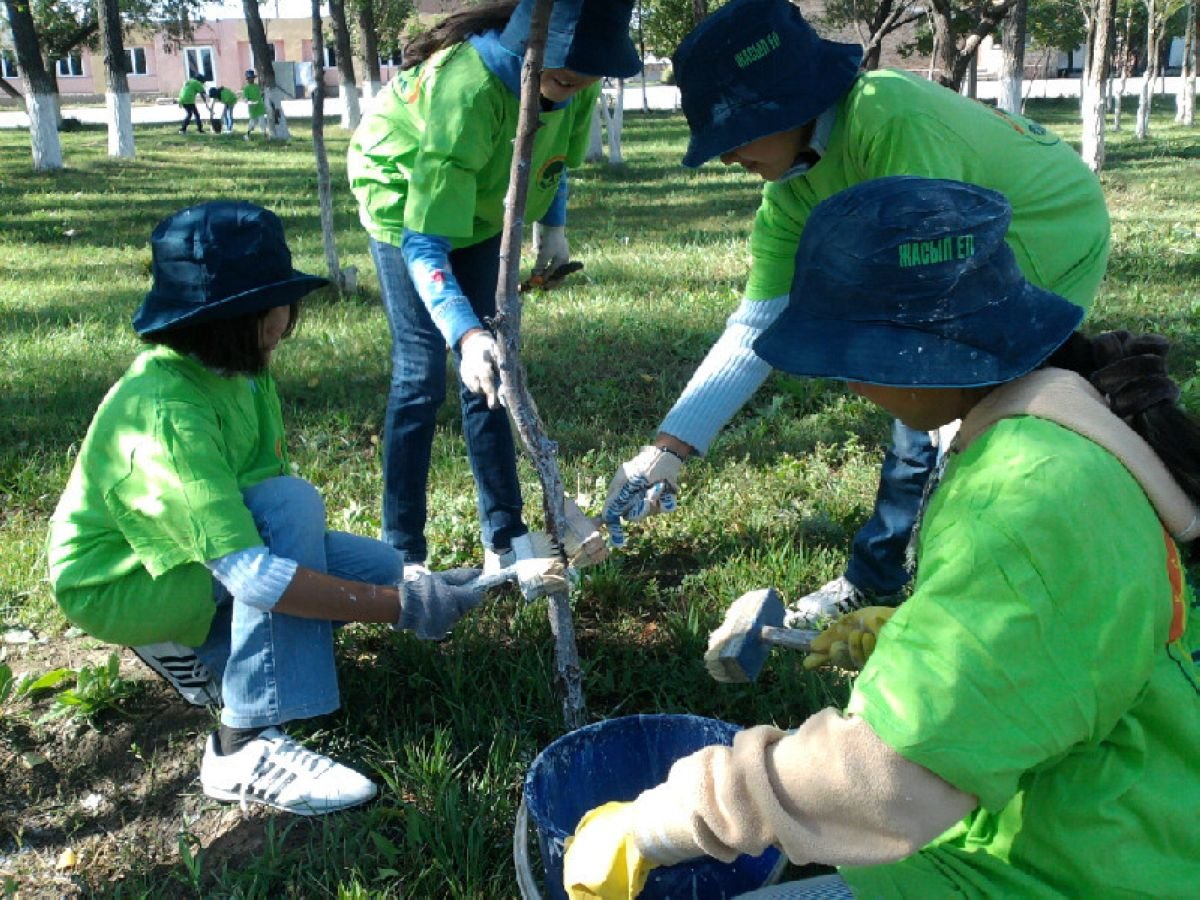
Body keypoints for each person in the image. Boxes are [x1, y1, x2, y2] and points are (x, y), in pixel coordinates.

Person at [563, 176, 1200, 898]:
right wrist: (927, 636)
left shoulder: (1025, 501)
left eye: (849, 362)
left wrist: (660, 824)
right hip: (1120, 818)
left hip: (1058, 871)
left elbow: (889, 776)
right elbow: (1064, 633)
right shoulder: (1061, 441)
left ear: (912, 351)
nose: (849, 387)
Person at [602, 0, 1111, 625]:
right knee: (929, 418)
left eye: (732, 135)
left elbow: (927, 307)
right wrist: (669, 449)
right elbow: (756, 326)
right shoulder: (789, 192)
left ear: (788, 105)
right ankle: (894, 579)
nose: (727, 158)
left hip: (1047, 230)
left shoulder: (888, 116)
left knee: (968, 415)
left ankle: (959, 583)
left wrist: (947, 424)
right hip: (956, 250)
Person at [45, 201, 514, 816]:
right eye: (280, 305)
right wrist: (400, 608)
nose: (289, 320)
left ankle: (205, 651)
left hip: (181, 558)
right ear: (239, 317)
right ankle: (241, 742)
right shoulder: (166, 411)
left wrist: (406, 586)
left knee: (377, 563)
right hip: (119, 583)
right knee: (300, 515)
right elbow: (255, 572)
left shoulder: (240, 369)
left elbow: (260, 506)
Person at [347, 0, 639, 582]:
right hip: (404, 201)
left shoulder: (575, 85)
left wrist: (550, 228)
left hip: (486, 215)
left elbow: (553, 162)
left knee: (492, 376)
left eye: (585, 76)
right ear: (529, 47)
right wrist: (465, 330)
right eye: (561, 75)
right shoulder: (469, 92)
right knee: (419, 376)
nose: (573, 87)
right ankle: (402, 553)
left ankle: (504, 537)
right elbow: (425, 242)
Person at [242, 69, 268, 141]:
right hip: (252, 109)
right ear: (247, 79)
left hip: (260, 108)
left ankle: (265, 135)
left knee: (262, 122)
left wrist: (263, 93)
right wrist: (249, 101)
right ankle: (247, 134)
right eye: (250, 78)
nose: (251, 80)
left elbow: (260, 94)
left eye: (252, 78)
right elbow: (245, 99)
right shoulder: (246, 88)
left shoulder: (257, 86)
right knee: (252, 123)